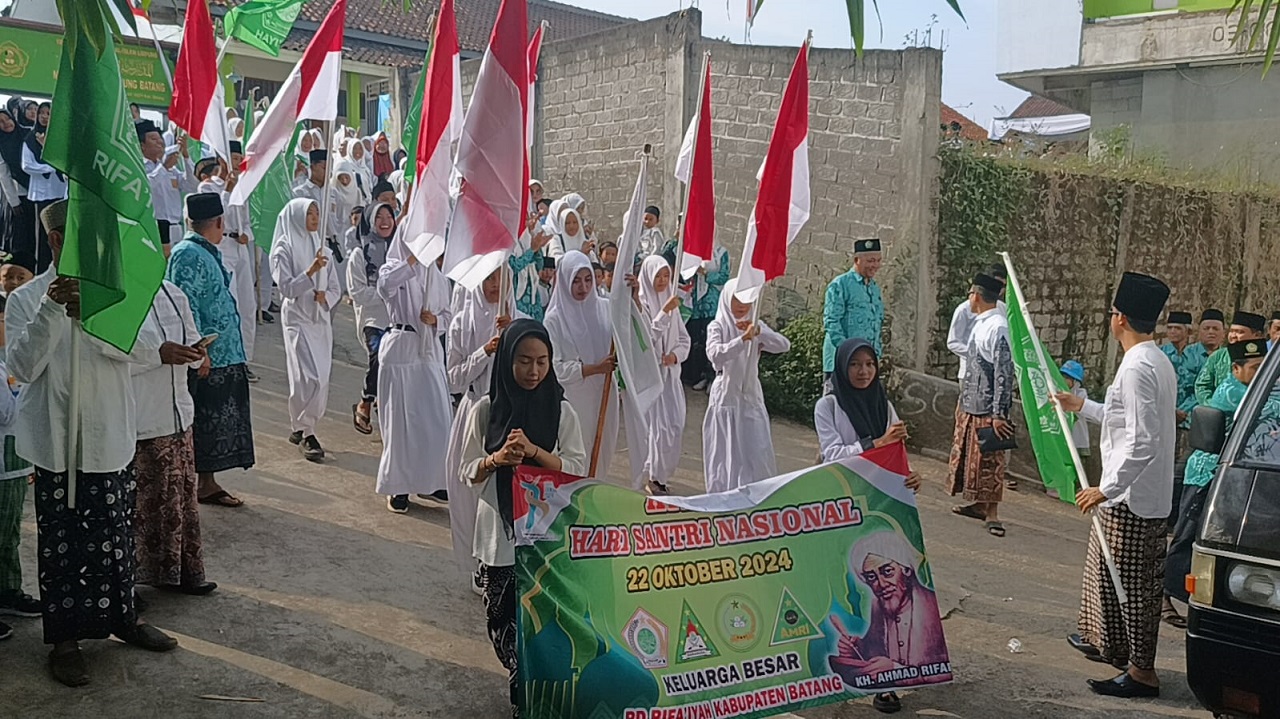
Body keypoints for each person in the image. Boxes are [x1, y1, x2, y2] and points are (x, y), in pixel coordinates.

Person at [8, 201, 177, 686]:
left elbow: (146, 351)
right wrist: (54, 309)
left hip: (108, 436)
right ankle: (64, 639)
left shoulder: (117, 293)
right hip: (55, 443)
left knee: (113, 538)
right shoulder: (27, 298)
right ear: (58, 240)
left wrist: (96, 317)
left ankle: (123, 618)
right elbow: (22, 365)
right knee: (61, 545)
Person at [1056, 271, 1176, 700]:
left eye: (1111, 312)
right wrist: (1081, 405)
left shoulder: (1138, 368)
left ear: (1120, 318)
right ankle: (1110, 644)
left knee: (1136, 586)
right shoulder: (1153, 360)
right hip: (1130, 493)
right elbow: (1126, 421)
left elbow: (1145, 440)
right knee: (1105, 573)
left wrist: (1107, 489)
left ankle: (1143, 673)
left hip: (1132, 498)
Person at [459, 319, 587, 719]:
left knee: (540, 625)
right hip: (498, 531)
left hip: (545, 537)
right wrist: (497, 460)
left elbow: (576, 469)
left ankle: (527, 694)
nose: (534, 372)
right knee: (501, 621)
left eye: (542, 361)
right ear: (506, 362)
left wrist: (533, 452)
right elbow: (467, 470)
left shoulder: (562, 412)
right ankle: (521, 677)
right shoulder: (485, 411)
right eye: (523, 361)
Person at [1162, 338, 1264, 630]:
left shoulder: (1256, 391)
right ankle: (1163, 595)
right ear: (1235, 368)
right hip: (1205, 476)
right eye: (1254, 368)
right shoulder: (1235, 393)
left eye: (1263, 368)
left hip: (1231, 478)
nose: (1258, 373)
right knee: (1187, 536)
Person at [167, 192, 255, 508]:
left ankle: (207, 481)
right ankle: (201, 483)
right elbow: (185, 303)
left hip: (224, 353)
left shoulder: (204, 252)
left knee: (217, 418)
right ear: (218, 222)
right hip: (209, 355)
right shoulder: (188, 254)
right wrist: (200, 350)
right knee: (205, 419)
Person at [131, 281, 215, 594]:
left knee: (178, 501)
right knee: (144, 503)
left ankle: (179, 574)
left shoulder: (172, 292)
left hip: (179, 413)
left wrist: (197, 352)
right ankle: (133, 583)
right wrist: (158, 355)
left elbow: (191, 340)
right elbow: (113, 356)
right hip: (144, 417)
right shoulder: (121, 295)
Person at [375, 231, 454, 513]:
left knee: (435, 418)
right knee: (401, 421)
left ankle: (431, 480)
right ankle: (398, 486)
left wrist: (436, 321)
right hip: (401, 348)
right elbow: (385, 286)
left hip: (429, 349)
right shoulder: (393, 266)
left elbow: (448, 314)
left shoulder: (437, 276)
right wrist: (412, 261)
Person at [445, 270, 511, 594]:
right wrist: (485, 350)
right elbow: (455, 378)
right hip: (475, 413)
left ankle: (499, 565)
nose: (494, 285)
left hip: (509, 416)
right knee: (469, 492)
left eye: (500, 277)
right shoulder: (460, 324)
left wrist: (512, 338)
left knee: (502, 496)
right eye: (488, 278)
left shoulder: (517, 320)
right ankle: (476, 566)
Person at [829, 532, 944, 713]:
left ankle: (887, 687)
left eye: (887, 571)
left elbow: (938, 667)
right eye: (871, 577)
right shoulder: (879, 603)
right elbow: (875, 648)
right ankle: (885, 687)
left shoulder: (926, 608)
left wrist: (895, 670)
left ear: (906, 569)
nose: (881, 584)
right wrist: (855, 648)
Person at [702, 278, 790, 492]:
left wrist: (759, 331)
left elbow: (783, 345)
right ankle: (722, 498)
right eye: (736, 299)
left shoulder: (755, 324)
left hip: (750, 396)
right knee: (725, 454)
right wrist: (742, 340)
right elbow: (715, 355)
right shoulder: (718, 325)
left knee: (756, 450)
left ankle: (755, 498)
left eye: (746, 300)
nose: (741, 305)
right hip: (727, 397)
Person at [270, 198, 340, 461]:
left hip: (319, 321)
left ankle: (301, 425)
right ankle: (307, 431)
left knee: (321, 378)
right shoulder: (283, 248)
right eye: (309, 213)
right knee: (306, 376)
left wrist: (327, 298)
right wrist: (310, 271)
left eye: (316, 212)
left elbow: (335, 288)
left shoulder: (323, 249)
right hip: (297, 319)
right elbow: (287, 289)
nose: (313, 217)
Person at [947, 272, 1015, 537]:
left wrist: (999, 413)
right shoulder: (981, 322)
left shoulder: (998, 326)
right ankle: (977, 504)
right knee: (972, 458)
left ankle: (993, 514)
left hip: (988, 407)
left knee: (990, 461)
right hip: (972, 401)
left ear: (975, 295)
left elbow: (1003, 372)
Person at [543, 251, 619, 480]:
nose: (583, 287)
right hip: (574, 399)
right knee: (576, 456)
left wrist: (632, 298)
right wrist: (594, 369)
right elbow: (554, 367)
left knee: (602, 454)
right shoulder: (554, 319)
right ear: (564, 280)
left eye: (588, 279)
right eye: (575, 280)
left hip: (605, 394)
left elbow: (630, 334)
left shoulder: (606, 309)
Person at [197, 149, 257, 382]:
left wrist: (247, 235)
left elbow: (246, 219)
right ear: (221, 159)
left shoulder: (242, 185)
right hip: (222, 246)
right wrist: (228, 191)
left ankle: (245, 359)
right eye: (231, 158)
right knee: (229, 302)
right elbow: (216, 214)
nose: (235, 163)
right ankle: (225, 356)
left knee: (247, 305)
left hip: (239, 246)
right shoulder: (208, 187)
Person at [634, 255, 691, 494]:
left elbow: (683, 339)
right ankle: (655, 478)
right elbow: (646, 339)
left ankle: (662, 472)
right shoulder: (643, 305)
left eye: (666, 276)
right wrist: (664, 313)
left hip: (670, 377)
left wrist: (675, 355)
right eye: (657, 276)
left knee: (675, 425)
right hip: (652, 379)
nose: (662, 280)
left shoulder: (671, 303)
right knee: (658, 429)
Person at [0, 293, 38, 632]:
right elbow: (7, 411)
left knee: (9, 532)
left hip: (13, 466)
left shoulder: (8, 359)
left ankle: (8, 591)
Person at [816, 337, 912, 460]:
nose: (863, 371)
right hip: (842, 477)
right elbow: (832, 454)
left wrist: (908, 473)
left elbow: (895, 452)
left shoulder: (884, 406)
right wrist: (876, 444)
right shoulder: (828, 406)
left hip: (877, 478)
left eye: (869, 364)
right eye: (854, 364)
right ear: (843, 366)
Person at [346, 202, 394, 436]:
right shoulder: (359, 254)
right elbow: (358, 293)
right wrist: (387, 292)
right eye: (379, 217)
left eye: (389, 216)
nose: (385, 221)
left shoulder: (397, 251)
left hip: (398, 318)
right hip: (372, 319)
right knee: (379, 356)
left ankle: (385, 410)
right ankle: (365, 401)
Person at [823, 239, 884, 391]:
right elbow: (831, 321)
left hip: (866, 366)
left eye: (878, 261)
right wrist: (848, 352)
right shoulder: (840, 285)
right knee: (835, 407)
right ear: (857, 260)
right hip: (842, 363)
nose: (875, 265)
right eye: (870, 261)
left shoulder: (874, 288)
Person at [21, 102, 68, 272]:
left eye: (48, 113)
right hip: (41, 194)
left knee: (60, 234)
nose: (44, 116)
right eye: (41, 113)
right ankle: (41, 270)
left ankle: (61, 268)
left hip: (60, 192)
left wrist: (46, 147)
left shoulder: (60, 138)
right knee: (43, 235)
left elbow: (65, 162)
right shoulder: (30, 138)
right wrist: (50, 167)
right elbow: (27, 165)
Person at [137, 119, 195, 251]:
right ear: (142, 145)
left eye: (160, 138)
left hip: (176, 228)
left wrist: (186, 156)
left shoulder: (172, 169)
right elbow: (146, 187)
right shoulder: (139, 166)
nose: (160, 142)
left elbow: (192, 186)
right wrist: (164, 167)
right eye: (153, 139)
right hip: (155, 227)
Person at [945, 264, 1007, 385]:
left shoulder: (1002, 311)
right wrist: (979, 355)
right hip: (970, 372)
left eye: (1003, 286)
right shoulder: (964, 310)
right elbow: (953, 342)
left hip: (992, 375)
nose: (999, 289)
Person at [682, 242, 731, 392]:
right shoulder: (693, 250)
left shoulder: (721, 252)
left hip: (712, 302)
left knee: (711, 339)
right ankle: (697, 375)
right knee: (696, 339)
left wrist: (706, 273)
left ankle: (711, 377)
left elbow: (724, 276)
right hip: (695, 302)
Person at [1195, 310, 1266, 404]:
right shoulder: (1218, 356)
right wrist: (1212, 406)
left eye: (1240, 332)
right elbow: (1202, 386)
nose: (1233, 336)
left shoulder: (1265, 358)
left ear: (1257, 335)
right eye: (1232, 331)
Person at [0, 108, 35, 273]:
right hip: (20, 193)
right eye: (0, 122)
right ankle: (23, 269)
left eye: (7, 119)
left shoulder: (28, 134)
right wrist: (13, 202)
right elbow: (4, 175)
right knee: (22, 233)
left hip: (40, 190)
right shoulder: (1, 144)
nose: (5, 124)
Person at [510, 215, 553, 322]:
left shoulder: (528, 239)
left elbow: (539, 266)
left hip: (532, 296)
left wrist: (537, 248)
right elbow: (515, 266)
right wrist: (532, 250)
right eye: (525, 220)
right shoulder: (509, 243)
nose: (529, 222)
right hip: (517, 296)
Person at [1060, 360, 1093, 483]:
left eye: (1067, 377)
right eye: (1062, 376)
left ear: (1075, 381)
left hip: (1078, 437)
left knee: (1079, 465)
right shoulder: (1059, 392)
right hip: (1064, 436)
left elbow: (1081, 411)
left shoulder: (1081, 395)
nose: (1064, 380)